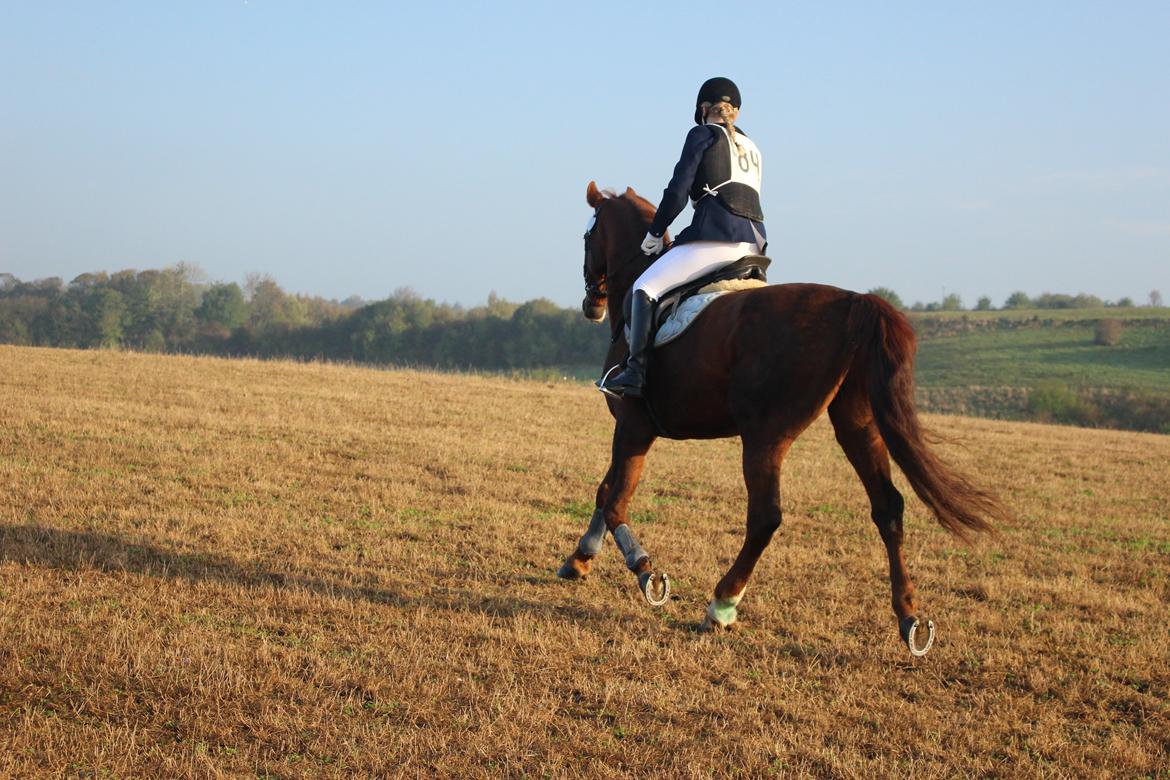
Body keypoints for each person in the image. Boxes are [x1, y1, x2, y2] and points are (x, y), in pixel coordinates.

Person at [599, 76, 766, 398]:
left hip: (716, 240)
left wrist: (655, 232)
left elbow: (677, 193)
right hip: (755, 244)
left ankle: (635, 372)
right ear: (737, 113)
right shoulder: (753, 147)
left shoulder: (702, 134)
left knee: (644, 288)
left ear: (703, 109)